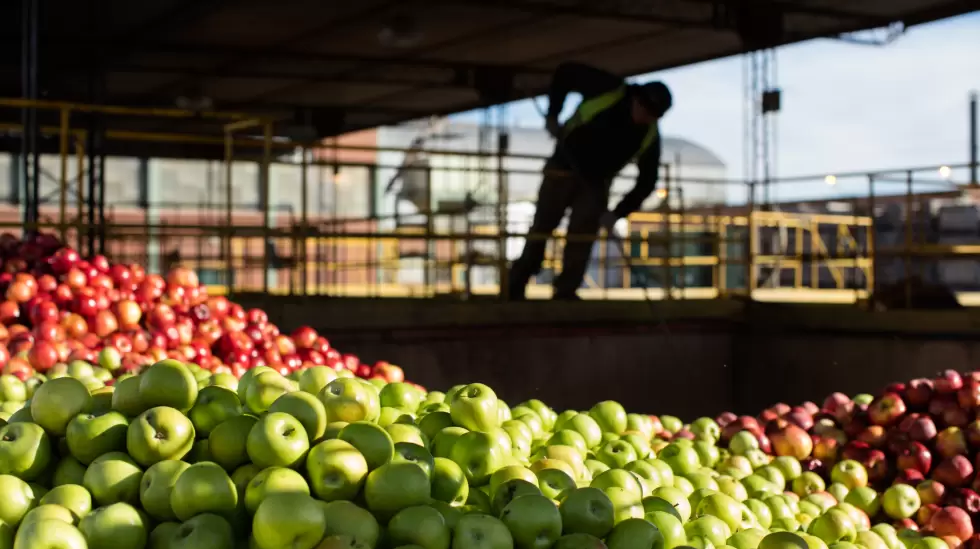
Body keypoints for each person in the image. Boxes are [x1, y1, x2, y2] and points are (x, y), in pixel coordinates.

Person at [508, 61, 673, 301]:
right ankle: (517, 283)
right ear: (636, 98)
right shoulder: (609, 89)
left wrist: (617, 213)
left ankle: (565, 292)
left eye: (651, 116)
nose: (644, 118)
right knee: (542, 226)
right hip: (563, 168)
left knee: (582, 236)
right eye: (643, 110)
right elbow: (565, 73)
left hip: (596, 185)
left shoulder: (650, 135)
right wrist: (554, 114)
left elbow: (647, 181)